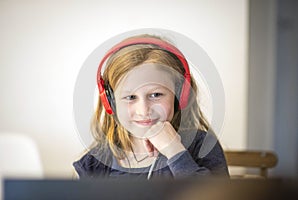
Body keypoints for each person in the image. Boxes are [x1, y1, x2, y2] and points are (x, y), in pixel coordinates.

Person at [73, 34, 229, 180]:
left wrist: (175, 151)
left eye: (156, 95)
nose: (144, 110)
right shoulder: (93, 165)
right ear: (110, 102)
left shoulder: (201, 145)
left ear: (180, 94)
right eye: (130, 97)